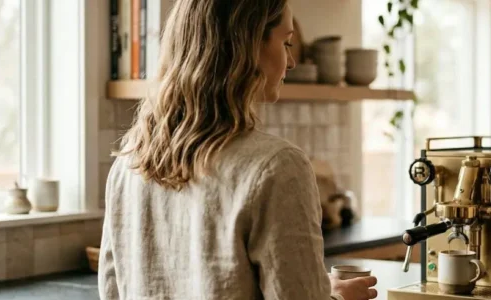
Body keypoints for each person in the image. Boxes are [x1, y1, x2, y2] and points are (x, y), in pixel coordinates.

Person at [98, 1, 378, 299]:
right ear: (249, 45)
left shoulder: (131, 159)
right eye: (286, 43)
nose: (291, 61)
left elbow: (112, 289)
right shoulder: (278, 166)